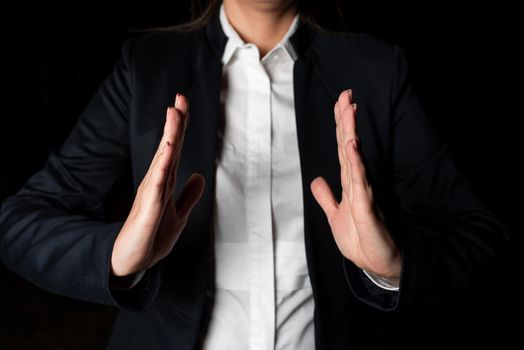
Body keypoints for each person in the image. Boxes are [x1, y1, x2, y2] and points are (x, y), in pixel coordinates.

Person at [0, 0, 510, 349]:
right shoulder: (146, 67)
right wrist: (117, 255)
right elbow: (19, 223)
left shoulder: (377, 68)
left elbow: (479, 235)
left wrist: (392, 268)